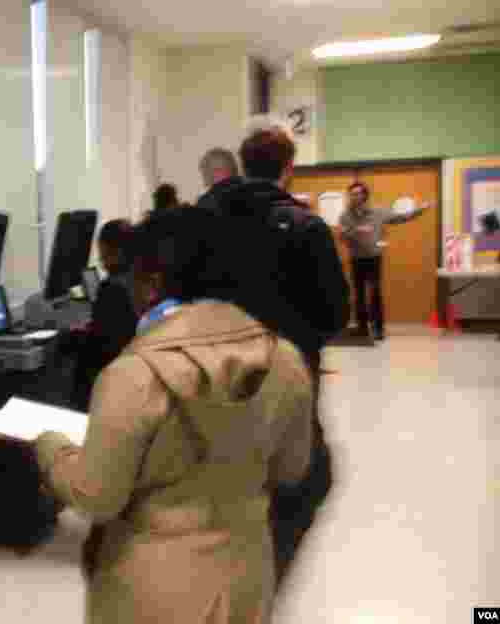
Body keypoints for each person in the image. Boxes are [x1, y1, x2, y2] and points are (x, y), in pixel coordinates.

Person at [31, 207, 314, 624]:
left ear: (152, 282)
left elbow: (97, 495)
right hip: (246, 573)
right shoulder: (284, 358)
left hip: (153, 585)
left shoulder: (135, 375)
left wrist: (50, 447)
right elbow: (292, 468)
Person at [199, 127, 350, 586]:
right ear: (289, 168)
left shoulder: (202, 221)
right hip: (286, 377)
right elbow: (334, 312)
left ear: (243, 165)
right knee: (302, 477)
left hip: (214, 377)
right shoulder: (304, 226)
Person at [338, 181, 429, 340]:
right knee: (358, 295)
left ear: (365, 195)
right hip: (356, 259)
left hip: (374, 258)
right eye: (352, 194)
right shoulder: (345, 216)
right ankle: (362, 329)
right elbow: (342, 238)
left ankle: (378, 329)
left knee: (375, 293)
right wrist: (354, 232)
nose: (355, 196)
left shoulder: (378, 212)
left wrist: (419, 210)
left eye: (358, 193)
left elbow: (401, 217)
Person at [71, 219, 138, 411]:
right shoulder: (135, 280)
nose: (101, 258)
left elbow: (99, 345)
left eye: (102, 251)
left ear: (110, 250)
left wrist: (71, 339)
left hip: (105, 388)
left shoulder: (111, 288)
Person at [195, 147, 241, 214]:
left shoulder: (207, 203)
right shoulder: (254, 191)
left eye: (205, 171)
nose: (204, 177)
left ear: (217, 170)